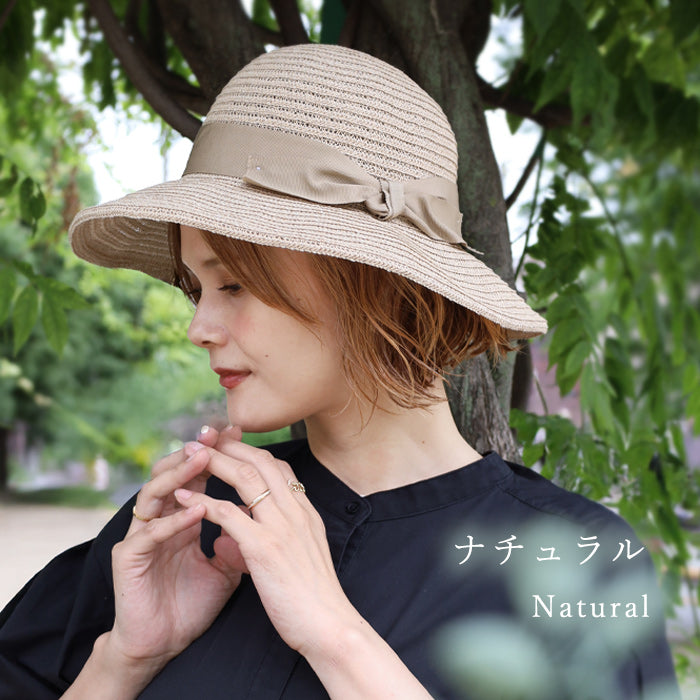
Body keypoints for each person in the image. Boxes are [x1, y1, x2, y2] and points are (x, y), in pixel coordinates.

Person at [0, 44, 680, 699]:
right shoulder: (189, 527)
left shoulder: (577, 562)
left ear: (372, 280)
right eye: (195, 289)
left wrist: (335, 635)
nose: (198, 328)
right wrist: (126, 658)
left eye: (233, 284)